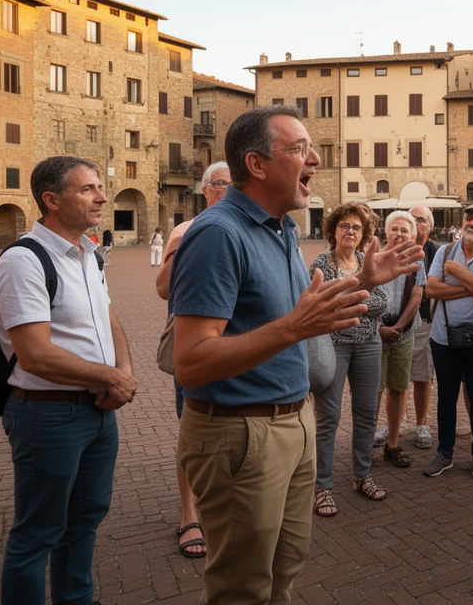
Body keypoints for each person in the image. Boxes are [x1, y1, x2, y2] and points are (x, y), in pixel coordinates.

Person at [170, 106, 420, 603]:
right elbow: (191, 360)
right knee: (242, 588)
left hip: (292, 421)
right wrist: (292, 329)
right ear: (257, 164)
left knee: (284, 571)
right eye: (300, 149)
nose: (314, 160)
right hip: (241, 433)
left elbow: (292, 310)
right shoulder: (218, 234)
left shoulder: (281, 227)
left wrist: (362, 281)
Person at [0, 156, 138, 603]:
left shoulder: (87, 255)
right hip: (47, 417)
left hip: (96, 413)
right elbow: (34, 355)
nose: (102, 196)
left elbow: (109, 319)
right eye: (88, 189)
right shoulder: (24, 261)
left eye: (99, 187)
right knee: (37, 534)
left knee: (84, 523)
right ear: (51, 200)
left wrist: (123, 374)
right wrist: (111, 376)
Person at [155, 161, 231, 559]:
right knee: (192, 430)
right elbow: (164, 289)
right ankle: (189, 516)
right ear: (207, 190)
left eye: (235, 184)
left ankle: (223, 508)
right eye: (222, 184)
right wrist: (177, 252)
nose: (229, 190)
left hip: (236, 350)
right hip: (197, 347)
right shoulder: (186, 230)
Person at [310, 202, 390, 515]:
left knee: (367, 413)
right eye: (344, 226)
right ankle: (323, 486)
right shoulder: (322, 262)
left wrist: (346, 298)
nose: (350, 231)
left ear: (364, 234)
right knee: (329, 416)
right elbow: (318, 302)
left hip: (369, 345)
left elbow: (382, 301)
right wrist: (359, 293)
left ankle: (362, 475)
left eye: (356, 227)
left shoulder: (366, 260)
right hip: (333, 345)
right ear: (333, 231)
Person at [422, 203, 473, 479]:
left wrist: (456, 271)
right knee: (446, 397)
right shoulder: (445, 252)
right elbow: (432, 288)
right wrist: (472, 287)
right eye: (469, 218)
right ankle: (444, 452)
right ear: (461, 223)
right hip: (443, 337)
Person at [374, 211, 423, 468]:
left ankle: (392, 445)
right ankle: (365, 447)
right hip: (375, 334)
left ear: (413, 235)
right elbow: (365, 294)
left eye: (405, 230)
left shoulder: (417, 260)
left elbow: (417, 296)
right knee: (374, 391)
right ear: (385, 232)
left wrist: (399, 327)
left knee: (399, 389)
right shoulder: (372, 258)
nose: (399, 234)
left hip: (403, 334)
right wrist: (381, 327)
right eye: (394, 229)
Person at [409, 204, 440, 449]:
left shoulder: (437, 253)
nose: (415, 223)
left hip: (425, 321)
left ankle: (421, 424)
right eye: (412, 218)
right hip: (395, 323)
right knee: (393, 379)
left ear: (429, 225)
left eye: (420, 219)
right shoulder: (395, 250)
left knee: (422, 376)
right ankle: (393, 423)